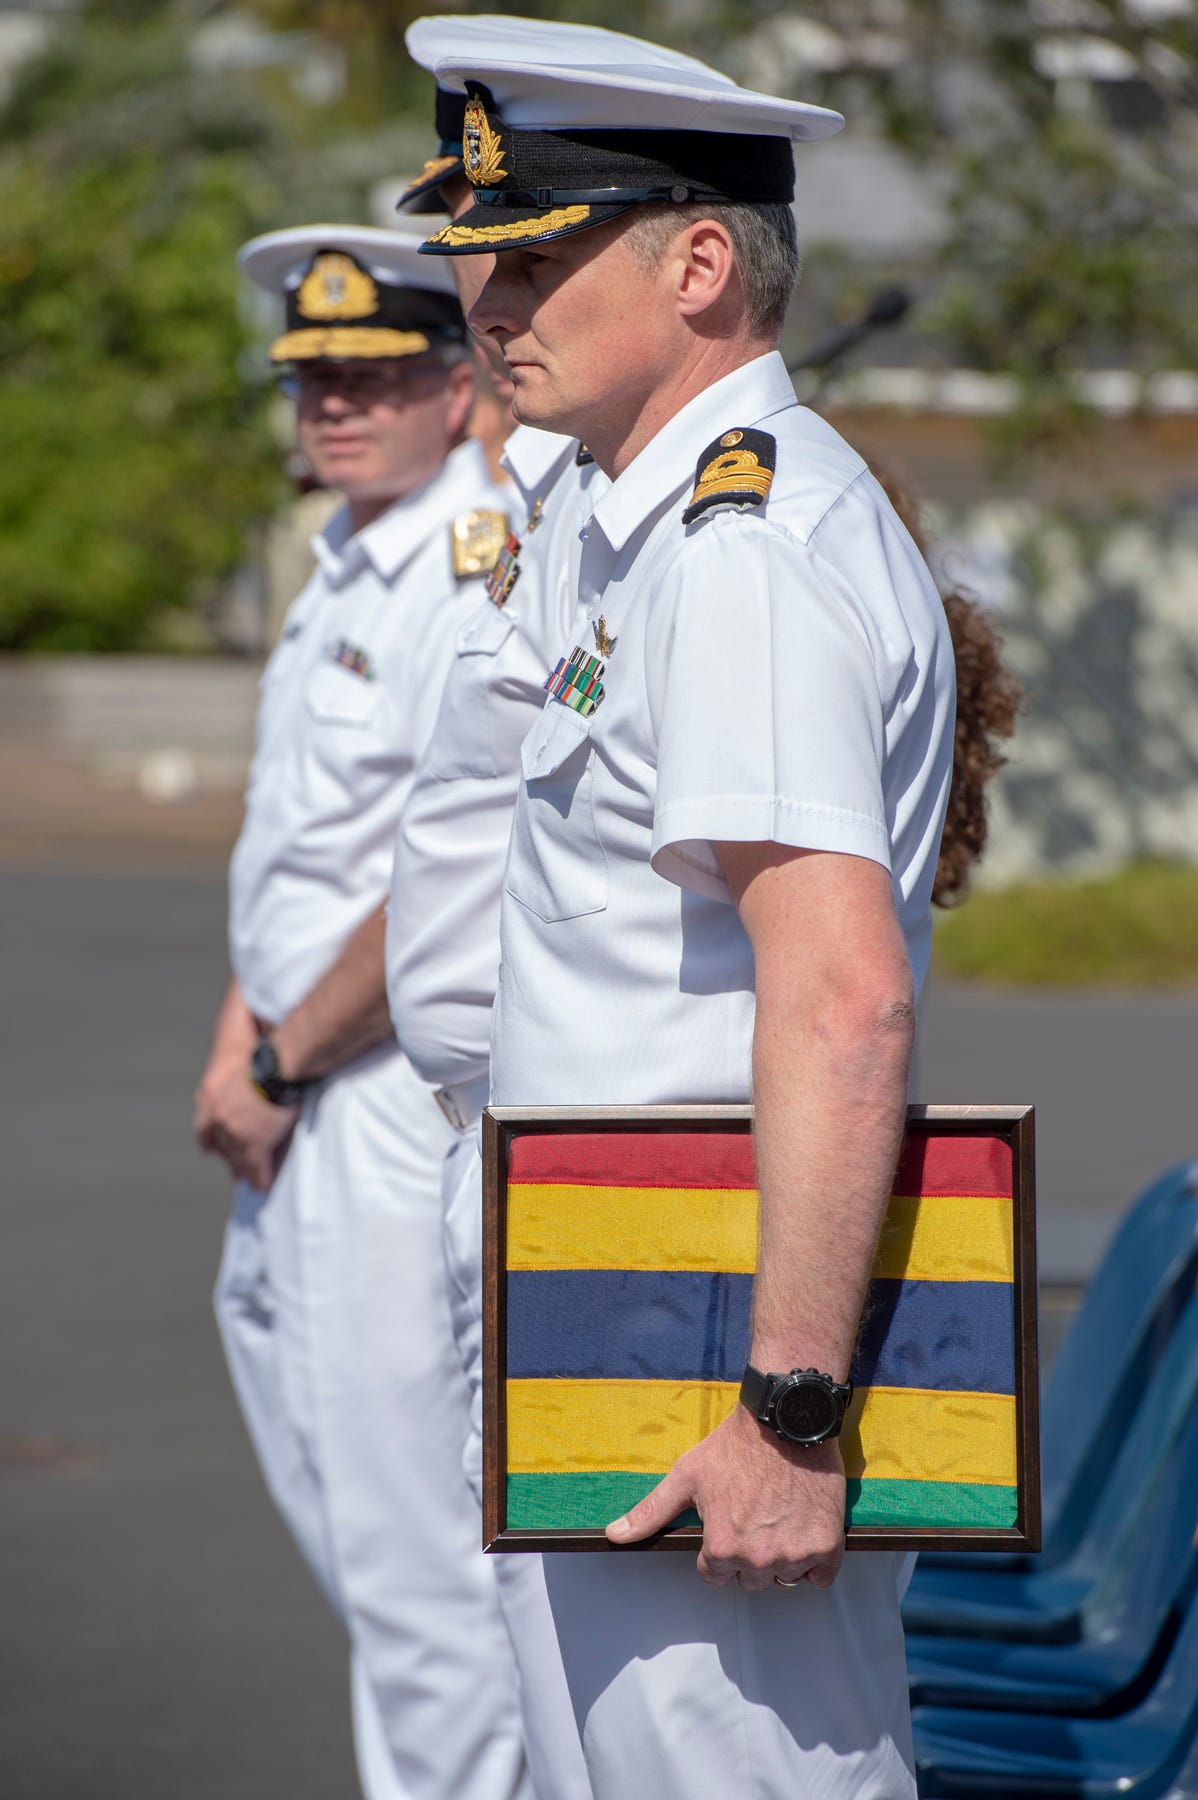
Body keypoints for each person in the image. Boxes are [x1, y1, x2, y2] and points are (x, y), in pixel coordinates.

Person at [413, 22, 957, 1797]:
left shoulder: (743, 555)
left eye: (533, 257)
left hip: (703, 1325)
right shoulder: (623, 519)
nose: (487, 301)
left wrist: (789, 1412)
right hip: (605, 1291)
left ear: (700, 263)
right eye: (479, 259)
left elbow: (840, 999)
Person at [195, 221, 530, 1800]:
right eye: (313, 378)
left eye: (376, 376)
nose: (335, 405)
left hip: (384, 1089)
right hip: (299, 1078)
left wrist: (275, 1059)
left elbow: (440, 886)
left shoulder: (468, 572)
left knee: (416, 1560)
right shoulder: (348, 552)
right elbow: (304, 850)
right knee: (343, 1497)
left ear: (458, 387)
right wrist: (243, 1038)